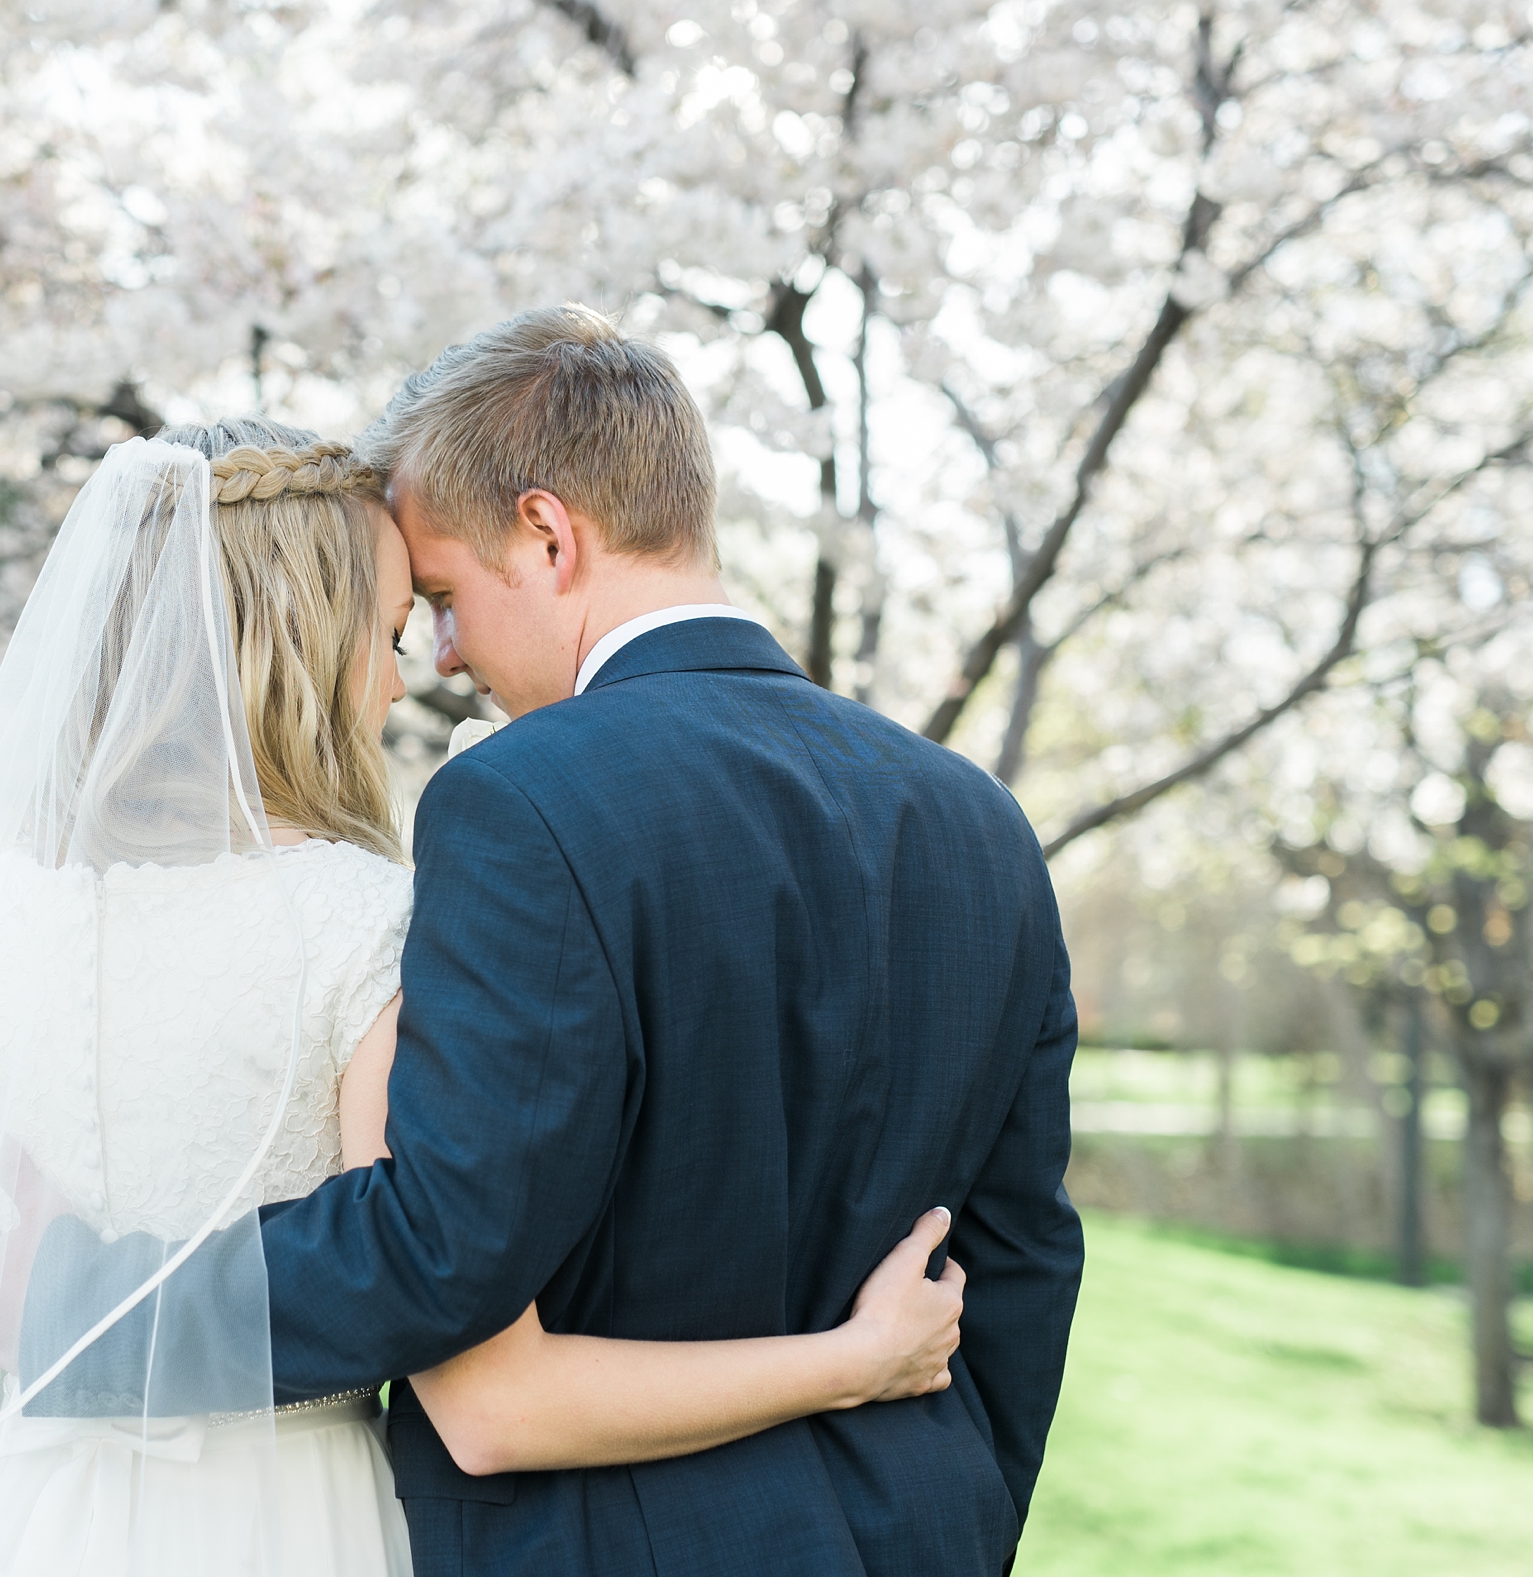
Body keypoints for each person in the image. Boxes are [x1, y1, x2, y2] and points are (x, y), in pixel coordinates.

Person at [0, 415, 971, 1578]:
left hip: (20, 1512)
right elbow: (487, 1393)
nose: (408, 679)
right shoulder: (362, 924)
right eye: (394, 628)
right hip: (288, 1521)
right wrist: (853, 1362)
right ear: (294, 643)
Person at [255, 306, 1087, 1575]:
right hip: (917, 1533)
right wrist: (963, 1508)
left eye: (443, 596)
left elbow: (449, 1246)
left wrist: (106, 1311)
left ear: (546, 533)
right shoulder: (973, 814)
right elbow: (1022, 1250)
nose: (444, 654)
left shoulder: (521, 797)